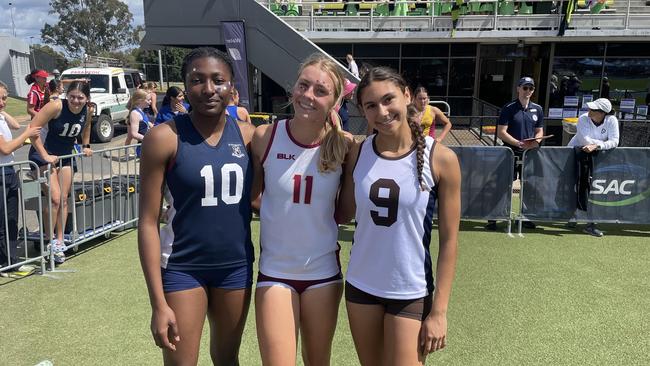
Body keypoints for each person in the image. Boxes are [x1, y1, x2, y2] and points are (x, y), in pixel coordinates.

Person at [138, 47, 256, 366]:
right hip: (182, 267)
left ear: (232, 86)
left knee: (227, 358)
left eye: (218, 80)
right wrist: (157, 303)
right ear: (185, 86)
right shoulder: (164, 137)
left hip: (236, 267)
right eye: (196, 80)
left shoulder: (249, 137)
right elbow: (148, 222)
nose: (208, 89)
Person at [336, 66, 460, 365]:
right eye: (371, 105)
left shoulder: (441, 158)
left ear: (407, 96)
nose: (382, 111)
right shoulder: (357, 152)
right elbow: (343, 213)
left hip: (410, 289)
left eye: (389, 99)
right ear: (363, 111)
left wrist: (439, 311)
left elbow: (449, 243)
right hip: (361, 285)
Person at [250, 53, 351, 365]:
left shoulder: (346, 146)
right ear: (293, 88)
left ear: (335, 101)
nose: (308, 96)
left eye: (320, 91)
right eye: (303, 85)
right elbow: (254, 197)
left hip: (323, 273)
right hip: (275, 272)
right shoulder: (265, 136)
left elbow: (345, 213)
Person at [27, 81, 94, 264]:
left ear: (86, 98)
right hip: (43, 155)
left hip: (65, 156)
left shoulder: (88, 110)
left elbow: (87, 126)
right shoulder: (56, 106)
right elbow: (32, 130)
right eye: (72, 96)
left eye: (80, 97)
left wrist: (86, 145)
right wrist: (44, 155)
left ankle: (59, 239)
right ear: (67, 95)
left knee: (64, 199)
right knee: (54, 198)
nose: (75, 101)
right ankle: (49, 241)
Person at [486, 76, 544, 231]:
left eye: (530, 88)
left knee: (529, 186)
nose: (528, 91)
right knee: (503, 185)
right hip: (510, 152)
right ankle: (495, 217)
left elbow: (539, 130)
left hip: (529, 154)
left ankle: (525, 217)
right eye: (525, 88)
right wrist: (518, 143)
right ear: (518, 89)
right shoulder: (508, 108)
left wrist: (536, 142)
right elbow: (501, 132)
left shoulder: (537, 109)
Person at [0, 81, 41, 277]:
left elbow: (15, 124)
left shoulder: (1, 116)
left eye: (4, 98)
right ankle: (7, 263)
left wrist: (2, 108)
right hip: (2, 174)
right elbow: (6, 148)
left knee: (11, 219)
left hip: (8, 172)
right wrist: (26, 134)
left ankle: (10, 261)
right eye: (0, 98)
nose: (2, 102)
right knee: (4, 221)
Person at [567, 98, 619, 237]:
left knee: (591, 189)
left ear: (602, 113)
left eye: (593, 109)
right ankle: (572, 215)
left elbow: (615, 141)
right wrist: (602, 142)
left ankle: (588, 222)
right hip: (575, 154)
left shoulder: (612, 121)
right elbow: (585, 140)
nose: (589, 111)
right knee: (572, 185)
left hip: (599, 158)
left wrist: (598, 145)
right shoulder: (583, 118)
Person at [125, 89, 153, 156]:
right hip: (143, 149)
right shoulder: (135, 113)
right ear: (140, 101)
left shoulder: (141, 111)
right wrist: (148, 140)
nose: (151, 101)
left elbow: (145, 122)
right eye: (148, 100)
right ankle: (126, 153)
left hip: (146, 147)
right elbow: (134, 134)